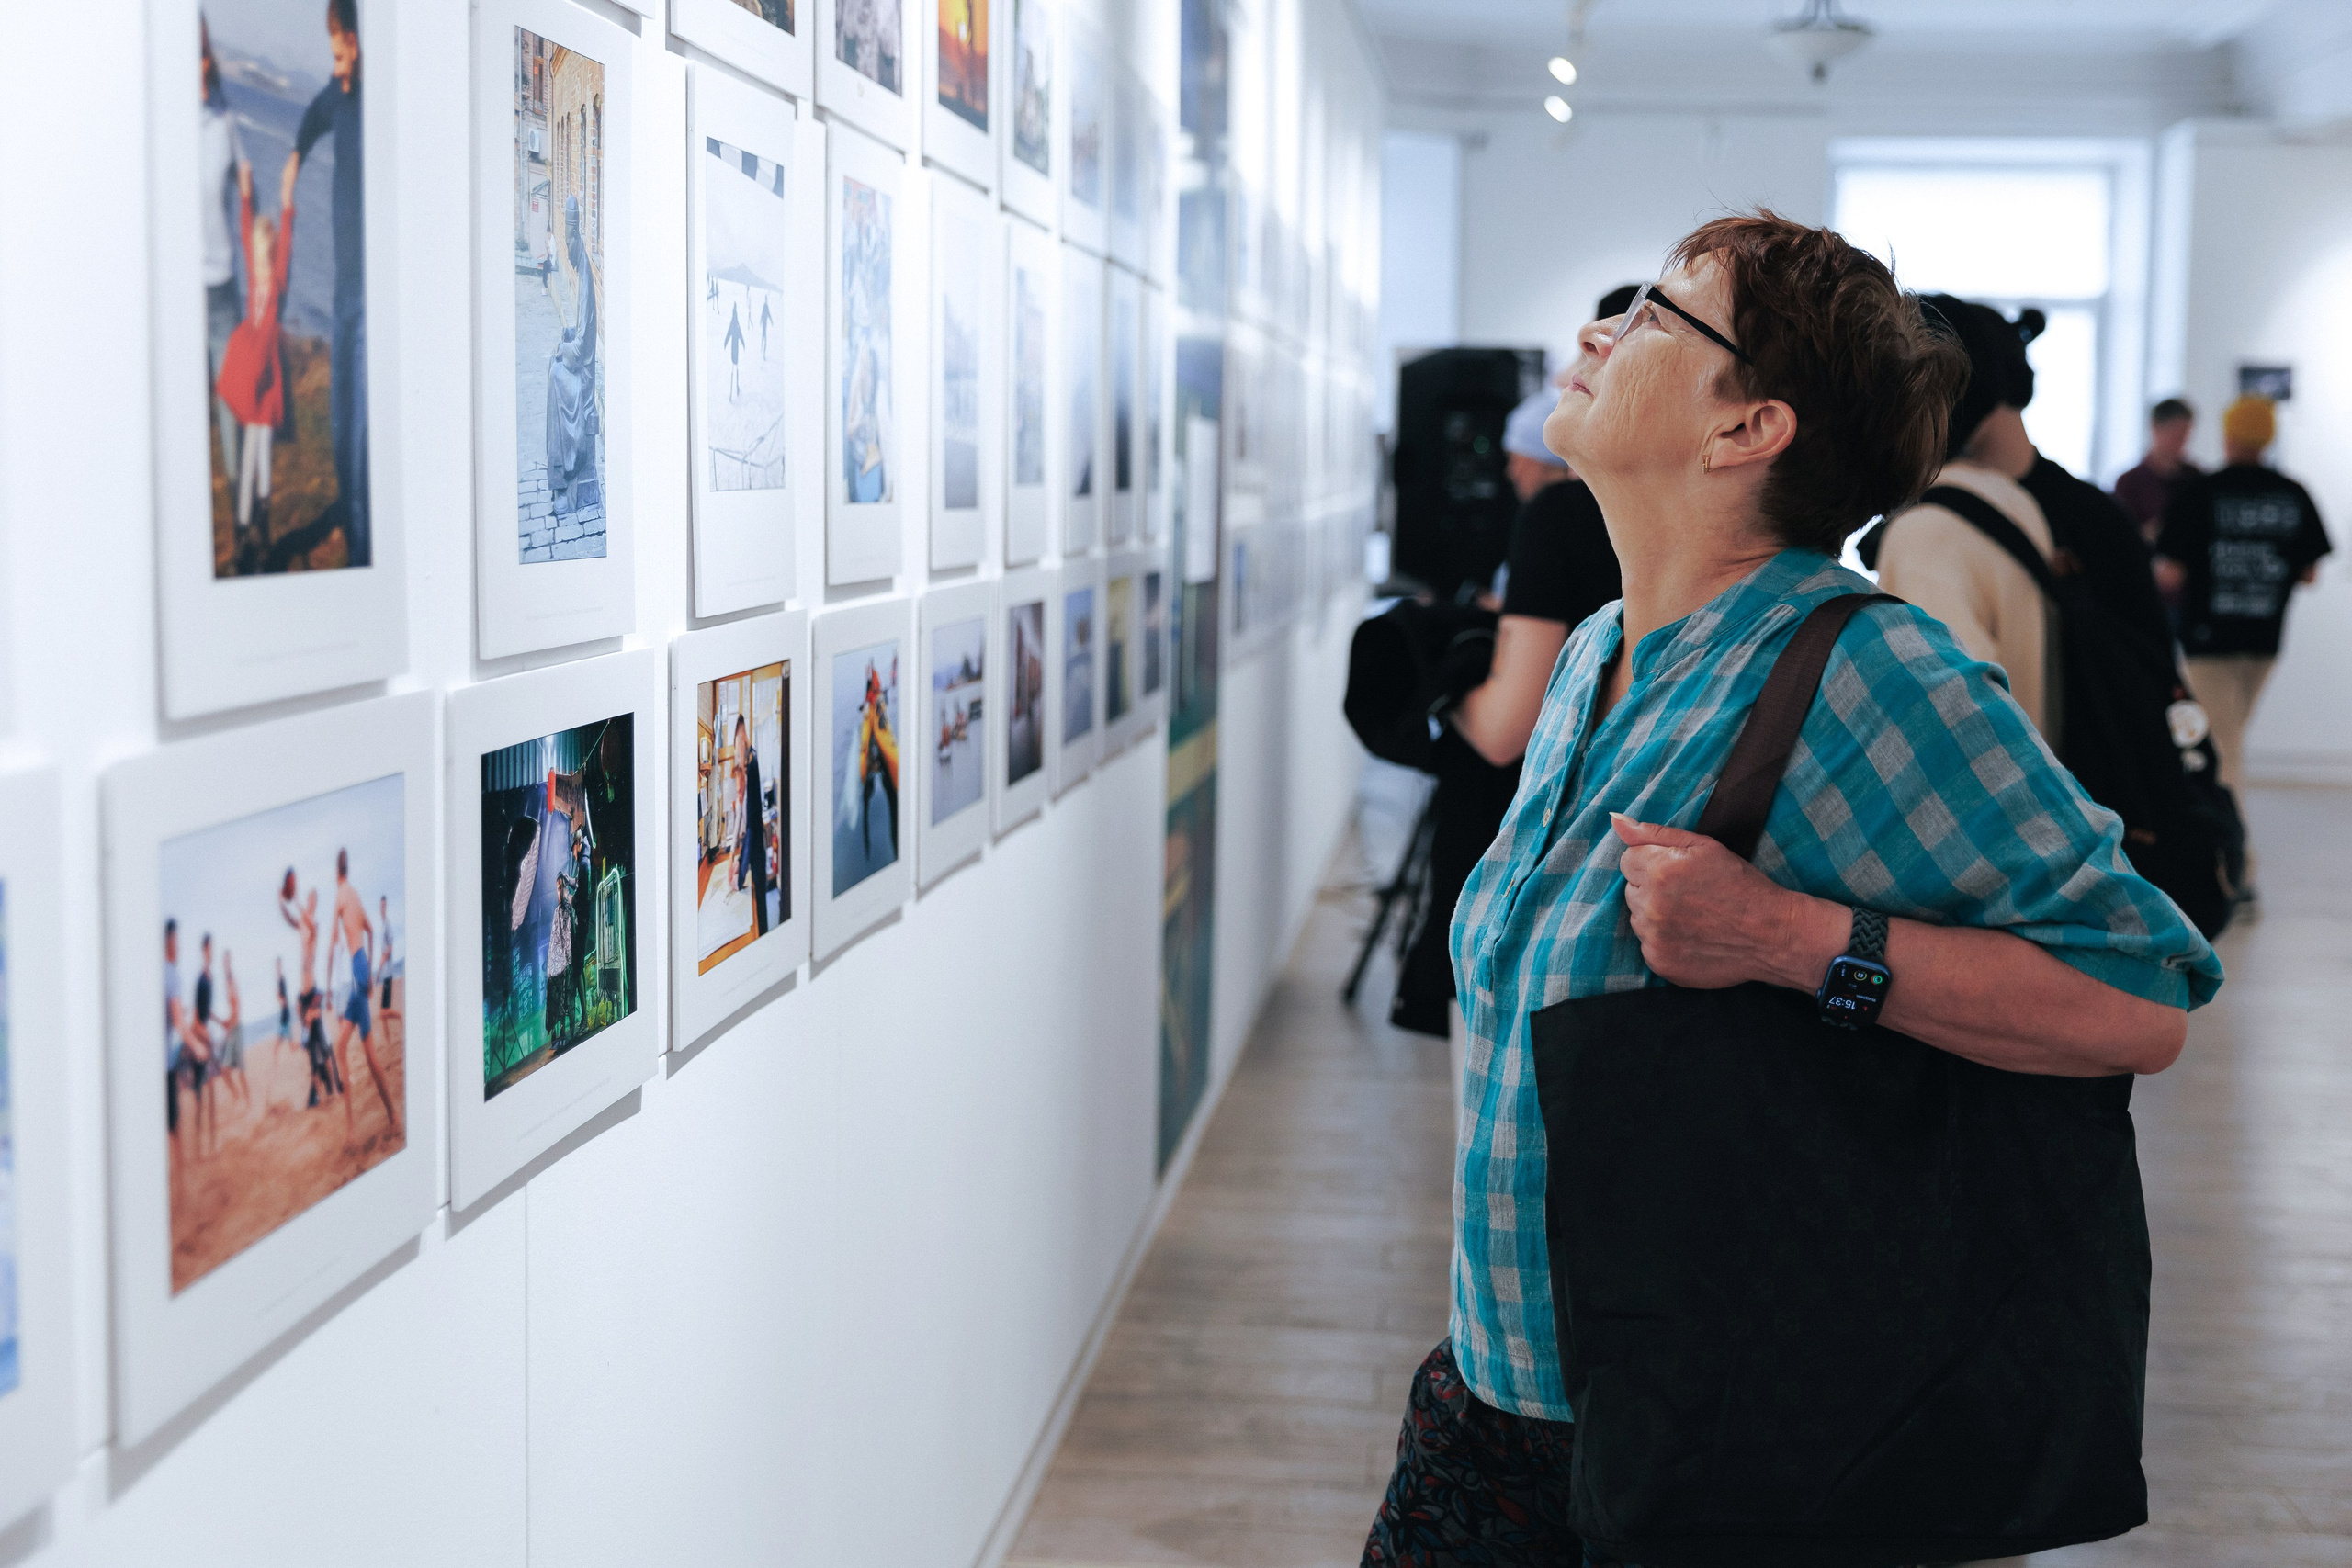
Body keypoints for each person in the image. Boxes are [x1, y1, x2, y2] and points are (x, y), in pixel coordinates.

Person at [1363, 210, 2220, 1564]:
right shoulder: (1599, 649)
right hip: (1501, 1390)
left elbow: (2137, 996)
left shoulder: (1869, 668)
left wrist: (1786, 936)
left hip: (1706, 1434)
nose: (1597, 332)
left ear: (1747, 427)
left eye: (1654, 315)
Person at [1391, 292, 1632, 1039]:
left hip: (1543, 849)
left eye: (1610, 340)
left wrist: (1443, 688)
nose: (1578, 355)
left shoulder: (1564, 516)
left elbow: (1504, 730)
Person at [2154, 395, 2333, 888]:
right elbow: (2310, 572)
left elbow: (2170, 573)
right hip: (2264, 641)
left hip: (2208, 640)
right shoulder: (2292, 494)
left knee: (2222, 752)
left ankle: (2236, 872)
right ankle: (2230, 865)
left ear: (2229, 435)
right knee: (2229, 744)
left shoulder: (2202, 492)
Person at [288, 0, 369, 565]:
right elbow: (314, 116)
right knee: (341, 423)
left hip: (373, 296)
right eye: (333, 56)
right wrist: (294, 159)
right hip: (342, 292)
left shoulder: (379, 103)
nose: (336, 68)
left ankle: (365, 548)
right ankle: (351, 517)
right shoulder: (339, 97)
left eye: (343, 56)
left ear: (362, 44)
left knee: (362, 432)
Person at [217, 160, 297, 568]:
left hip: (270, 373)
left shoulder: (277, 280)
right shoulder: (253, 276)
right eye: (260, 254)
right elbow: (246, 225)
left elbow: (286, 239)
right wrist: (245, 190)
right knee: (250, 449)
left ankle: (261, 527)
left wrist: (286, 198)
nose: (262, 261)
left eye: (267, 252)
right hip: (251, 368)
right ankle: (244, 528)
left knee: (263, 449)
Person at [199, 22, 246, 515]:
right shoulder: (163, 126)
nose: (200, 66)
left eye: (203, 55)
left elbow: (247, 188)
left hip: (222, 286)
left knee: (232, 405)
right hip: (179, 293)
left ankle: (243, 521)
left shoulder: (224, 122)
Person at [329, 848, 401, 1134]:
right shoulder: (356, 896)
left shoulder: (341, 894)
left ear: (337, 872)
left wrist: (329, 989)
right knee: (356, 1053)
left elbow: (332, 942)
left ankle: (362, 1127)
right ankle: (388, 1117)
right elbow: (370, 932)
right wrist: (369, 972)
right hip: (362, 970)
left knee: (354, 1052)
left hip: (358, 974)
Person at [2114, 397, 2199, 549]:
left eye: (2185, 435)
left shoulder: (2195, 479)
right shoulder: (2129, 483)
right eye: (2175, 434)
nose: (2182, 442)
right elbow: (2119, 538)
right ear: (2155, 428)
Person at [732, 715, 773, 936]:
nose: (738, 751)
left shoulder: (753, 765)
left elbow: (751, 828)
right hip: (753, 848)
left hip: (756, 851)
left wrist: (739, 878)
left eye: (740, 743)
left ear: (745, 740)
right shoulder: (746, 770)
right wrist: (737, 860)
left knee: (760, 915)